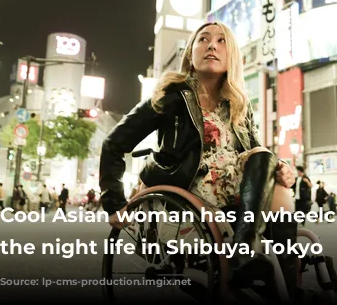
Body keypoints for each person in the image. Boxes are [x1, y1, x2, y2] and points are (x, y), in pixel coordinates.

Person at [98, 22, 297, 294]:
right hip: (187, 191)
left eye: (221, 41)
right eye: (203, 39)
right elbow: (113, 143)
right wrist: (114, 201)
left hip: (234, 193)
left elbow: (256, 153)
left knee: (279, 181)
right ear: (191, 53)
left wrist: (282, 168)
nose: (212, 45)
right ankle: (247, 257)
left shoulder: (238, 104)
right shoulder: (171, 96)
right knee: (273, 182)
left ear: (232, 57)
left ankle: (285, 283)